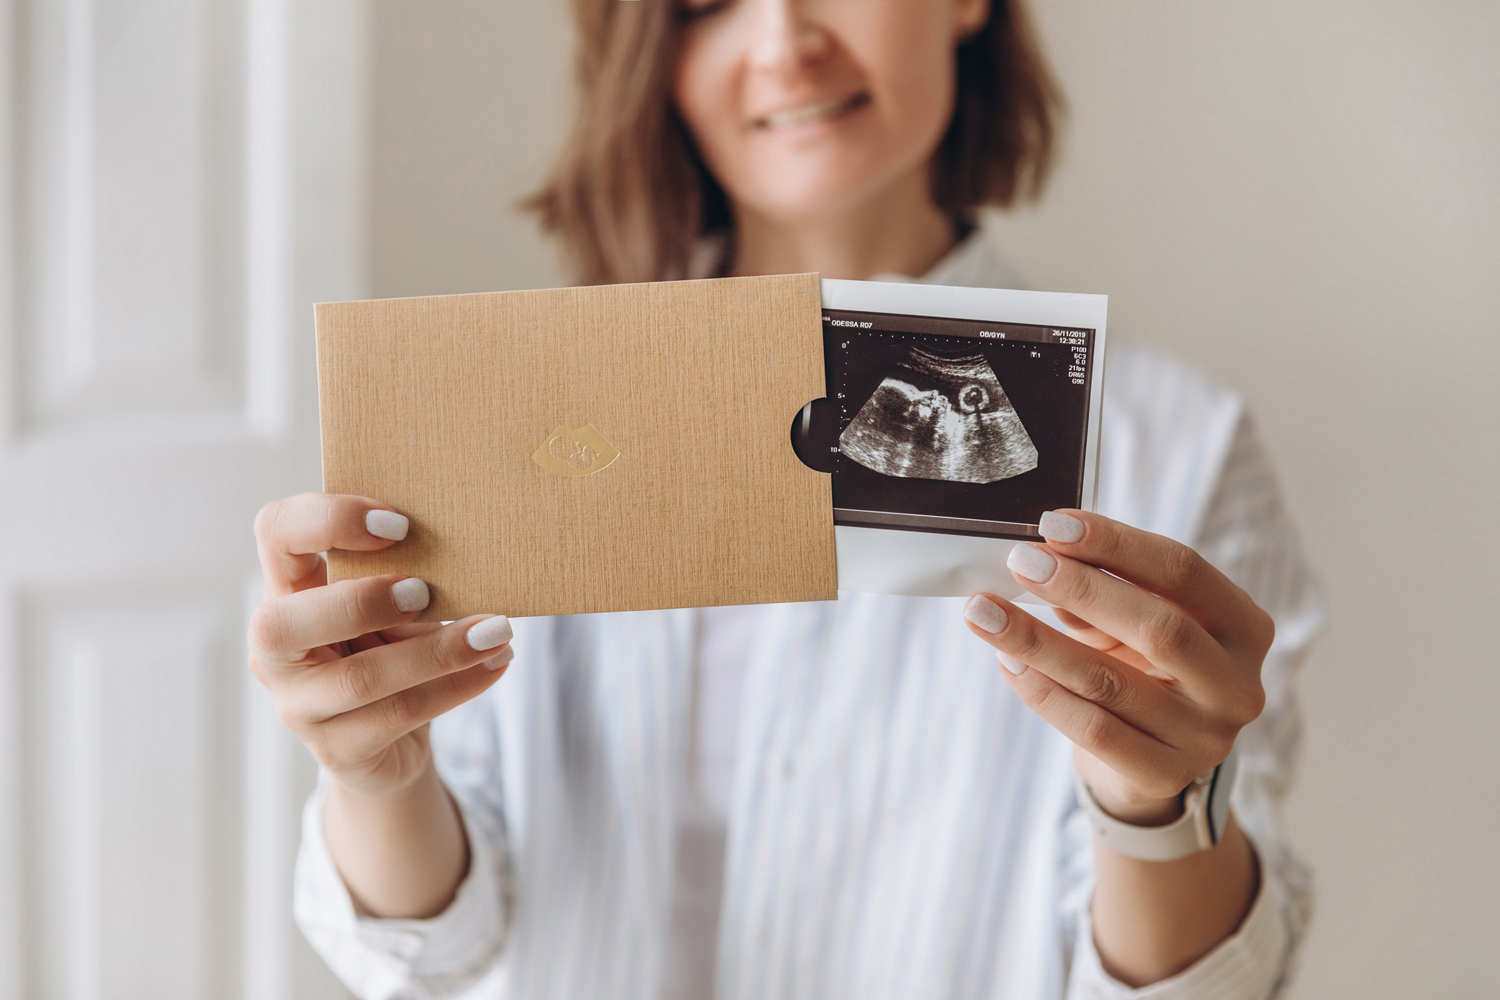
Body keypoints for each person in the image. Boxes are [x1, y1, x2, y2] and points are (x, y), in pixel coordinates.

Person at [249, 1, 1325, 997]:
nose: (783, 40)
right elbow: (434, 948)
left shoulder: (1175, 449)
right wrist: (376, 768)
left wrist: (1154, 807)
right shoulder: (521, 412)